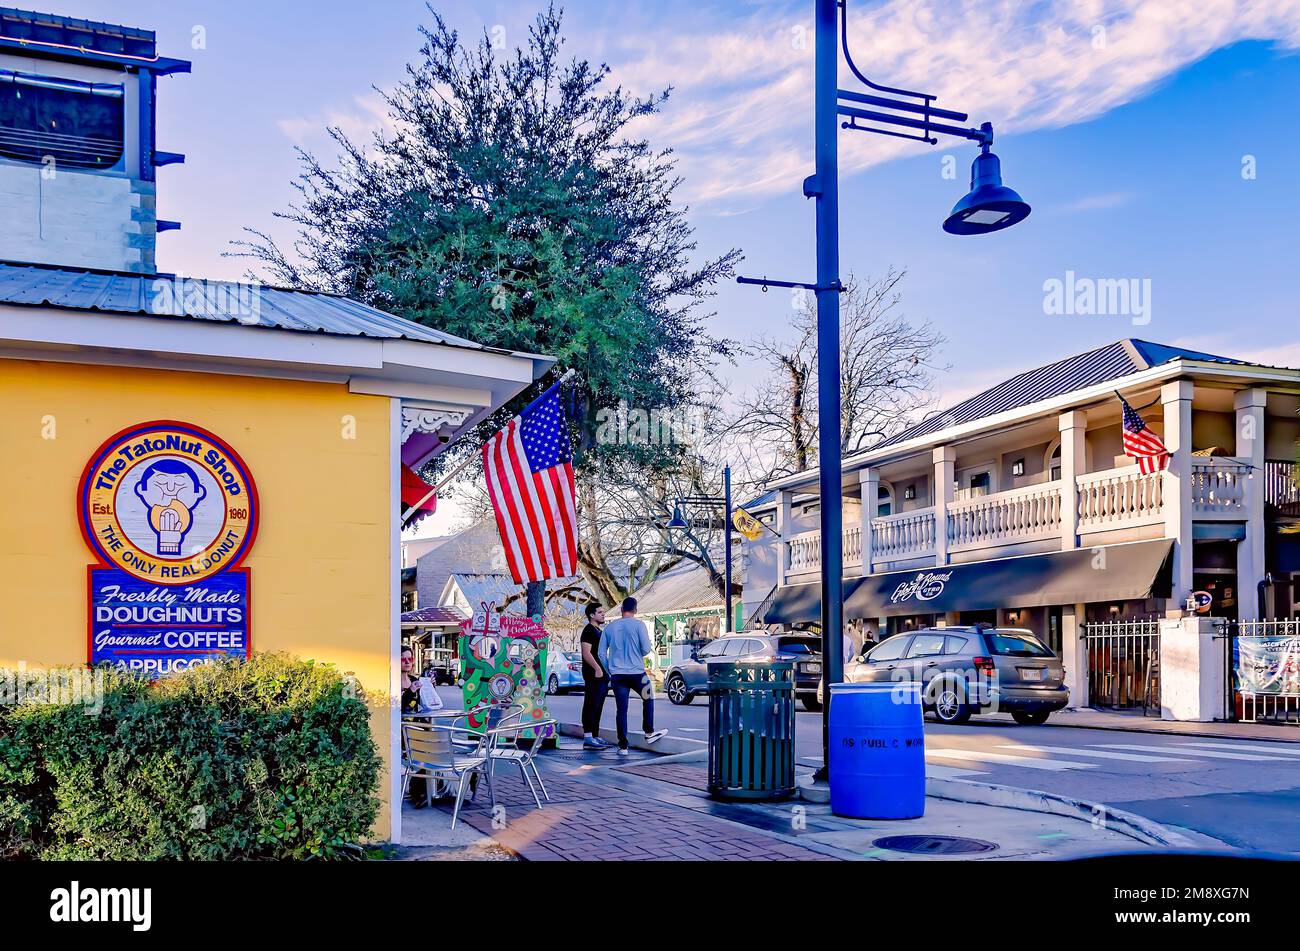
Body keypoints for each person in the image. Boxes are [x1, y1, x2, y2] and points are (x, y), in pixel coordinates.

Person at [598, 597, 667, 755]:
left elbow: (601, 653)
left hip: (618, 676)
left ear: (621, 610)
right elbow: (646, 648)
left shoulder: (610, 627)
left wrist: (610, 670)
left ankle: (623, 747)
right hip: (638, 674)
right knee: (648, 698)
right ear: (635, 610)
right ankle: (649, 732)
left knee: (621, 709)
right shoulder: (639, 625)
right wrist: (636, 653)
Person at [400, 644, 444, 808]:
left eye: (409, 659)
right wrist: (410, 691)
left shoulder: (414, 680)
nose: (406, 662)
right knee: (425, 752)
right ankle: (418, 791)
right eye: (402, 659)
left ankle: (425, 790)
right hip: (402, 730)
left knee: (437, 747)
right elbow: (399, 707)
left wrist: (430, 689)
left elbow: (426, 706)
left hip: (418, 728)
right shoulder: (392, 681)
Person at [579, 603, 610, 750]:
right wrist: (597, 668)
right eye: (600, 612)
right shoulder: (588, 630)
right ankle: (588, 737)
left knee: (598, 705)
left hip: (603, 674)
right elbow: (586, 652)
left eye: (603, 612)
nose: (603, 614)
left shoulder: (599, 631)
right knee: (591, 703)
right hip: (593, 674)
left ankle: (595, 735)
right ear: (592, 615)